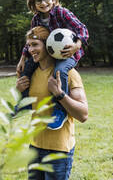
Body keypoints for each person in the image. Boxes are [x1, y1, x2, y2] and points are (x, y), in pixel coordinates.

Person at [16, 26, 88, 180]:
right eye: (28, 45)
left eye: (35, 45)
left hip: (58, 150)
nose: (30, 50)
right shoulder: (30, 74)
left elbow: (83, 114)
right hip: (34, 147)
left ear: (49, 45)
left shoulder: (68, 74)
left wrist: (59, 94)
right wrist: (20, 92)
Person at [16, 0, 89, 130]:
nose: (44, 3)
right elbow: (32, 40)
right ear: (33, 3)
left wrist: (77, 45)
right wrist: (23, 58)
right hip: (48, 54)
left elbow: (82, 29)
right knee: (27, 68)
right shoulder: (36, 19)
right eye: (39, 0)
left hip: (66, 55)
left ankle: (59, 111)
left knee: (60, 71)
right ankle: (26, 102)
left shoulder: (62, 12)